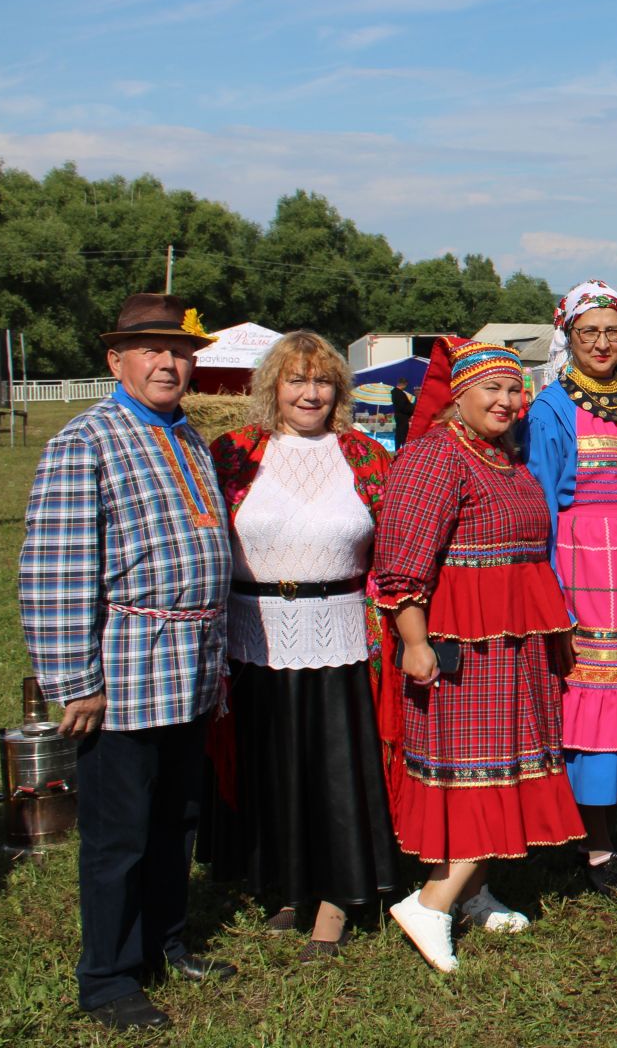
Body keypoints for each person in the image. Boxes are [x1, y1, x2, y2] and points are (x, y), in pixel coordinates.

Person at [19, 293, 233, 1030]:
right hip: (124, 674)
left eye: (179, 352)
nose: (168, 363)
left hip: (190, 667)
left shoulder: (188, 440)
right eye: (151, 350)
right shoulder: (88, 441)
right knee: (118, 834)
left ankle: (163, 945)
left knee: (177, 817)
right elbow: (54, 569)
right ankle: (107, 977)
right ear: (116, 360)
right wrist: (74, 681)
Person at [374, 339, 584, 973]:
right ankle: (431, 903)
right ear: (458, 395)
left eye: (515, 389)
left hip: (515, 642)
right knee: (478, 769)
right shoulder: (434, 457)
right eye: (492, 389)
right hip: (462, 646)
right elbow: (402, 560)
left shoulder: (503, 458)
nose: (507, 400)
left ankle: (471, 891)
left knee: (507, 762)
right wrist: (414, 642)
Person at [204, 331, 399, 961]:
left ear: (338, 390)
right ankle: (287, 886)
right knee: (271, 763)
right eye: (297, 380)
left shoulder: (367, 456)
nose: (310, 393)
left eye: (322, 382)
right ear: (273, 387)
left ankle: (338, 897)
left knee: (335, 772)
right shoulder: (233, 454)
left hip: (341, 632)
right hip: (251, 632)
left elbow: (394, 550)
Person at [522, 280, 617, 892]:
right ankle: (596, 846)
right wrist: (553, 590)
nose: (603, 342)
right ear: (569, 337)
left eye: (613, 331)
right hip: (586, 567)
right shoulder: (551, 408)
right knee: (591, 699)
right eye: (590, 332)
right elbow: (541, 501)